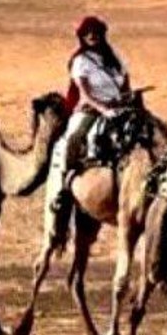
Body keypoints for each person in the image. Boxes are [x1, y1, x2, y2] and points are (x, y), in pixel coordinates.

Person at [44, 16, 131, 244]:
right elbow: (84, 94)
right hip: (90, 110)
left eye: (95, 32)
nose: (92, 36)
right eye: (87, 33)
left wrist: (127, 100)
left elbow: (125, 85)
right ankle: (64, 188)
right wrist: (103, 109)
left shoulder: (115, 59)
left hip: (117, 108)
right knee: (74, 137)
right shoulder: (80, 61)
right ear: (82, 37)